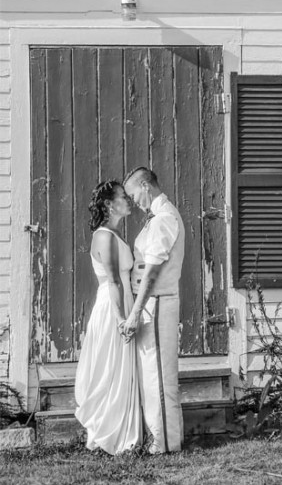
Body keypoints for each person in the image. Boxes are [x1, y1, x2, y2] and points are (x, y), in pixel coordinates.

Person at [74, 181, 144, 455]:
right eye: (122, 197)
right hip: (113, 307)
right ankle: (107, 434)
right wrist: (121, 319)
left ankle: (121, 431)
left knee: (120, 369)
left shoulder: (114, 235)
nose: (128, 200)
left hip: (122, 300)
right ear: (109, 204)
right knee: (110, 367)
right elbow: (114, 281)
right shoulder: (104, 236)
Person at [119, 167, 186, 454]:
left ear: (145, 186)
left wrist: (135, 311)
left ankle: (166, 443)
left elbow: (152, 273)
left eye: (134, 194)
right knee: (150, 371)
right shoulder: (156, 219)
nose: (134, 202)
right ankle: (158, 438)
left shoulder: (164, 219)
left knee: (159, 373)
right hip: (152, 303)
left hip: (157, 302)